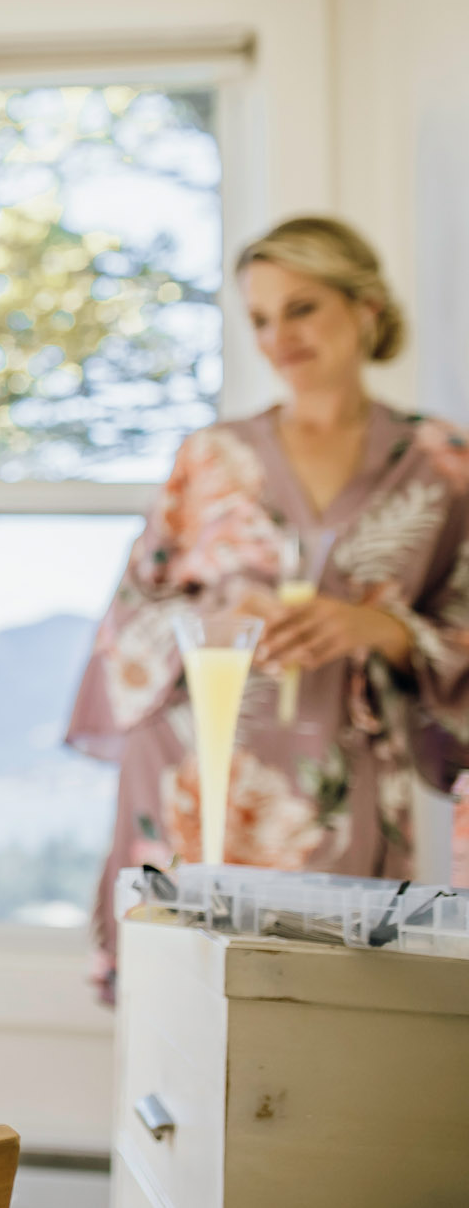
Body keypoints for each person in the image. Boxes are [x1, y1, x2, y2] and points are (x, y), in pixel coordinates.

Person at [68, 215, 469, 999]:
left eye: (302, 307)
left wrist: (381, 628)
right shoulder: (210, 455)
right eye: (259, 317)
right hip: (197, 767)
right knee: (180, 1017)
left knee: (336, 1012)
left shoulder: (442, 464)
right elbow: (123, 629)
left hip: (339, 784)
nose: (278, 335)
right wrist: (216, 624)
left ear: (366, 307)